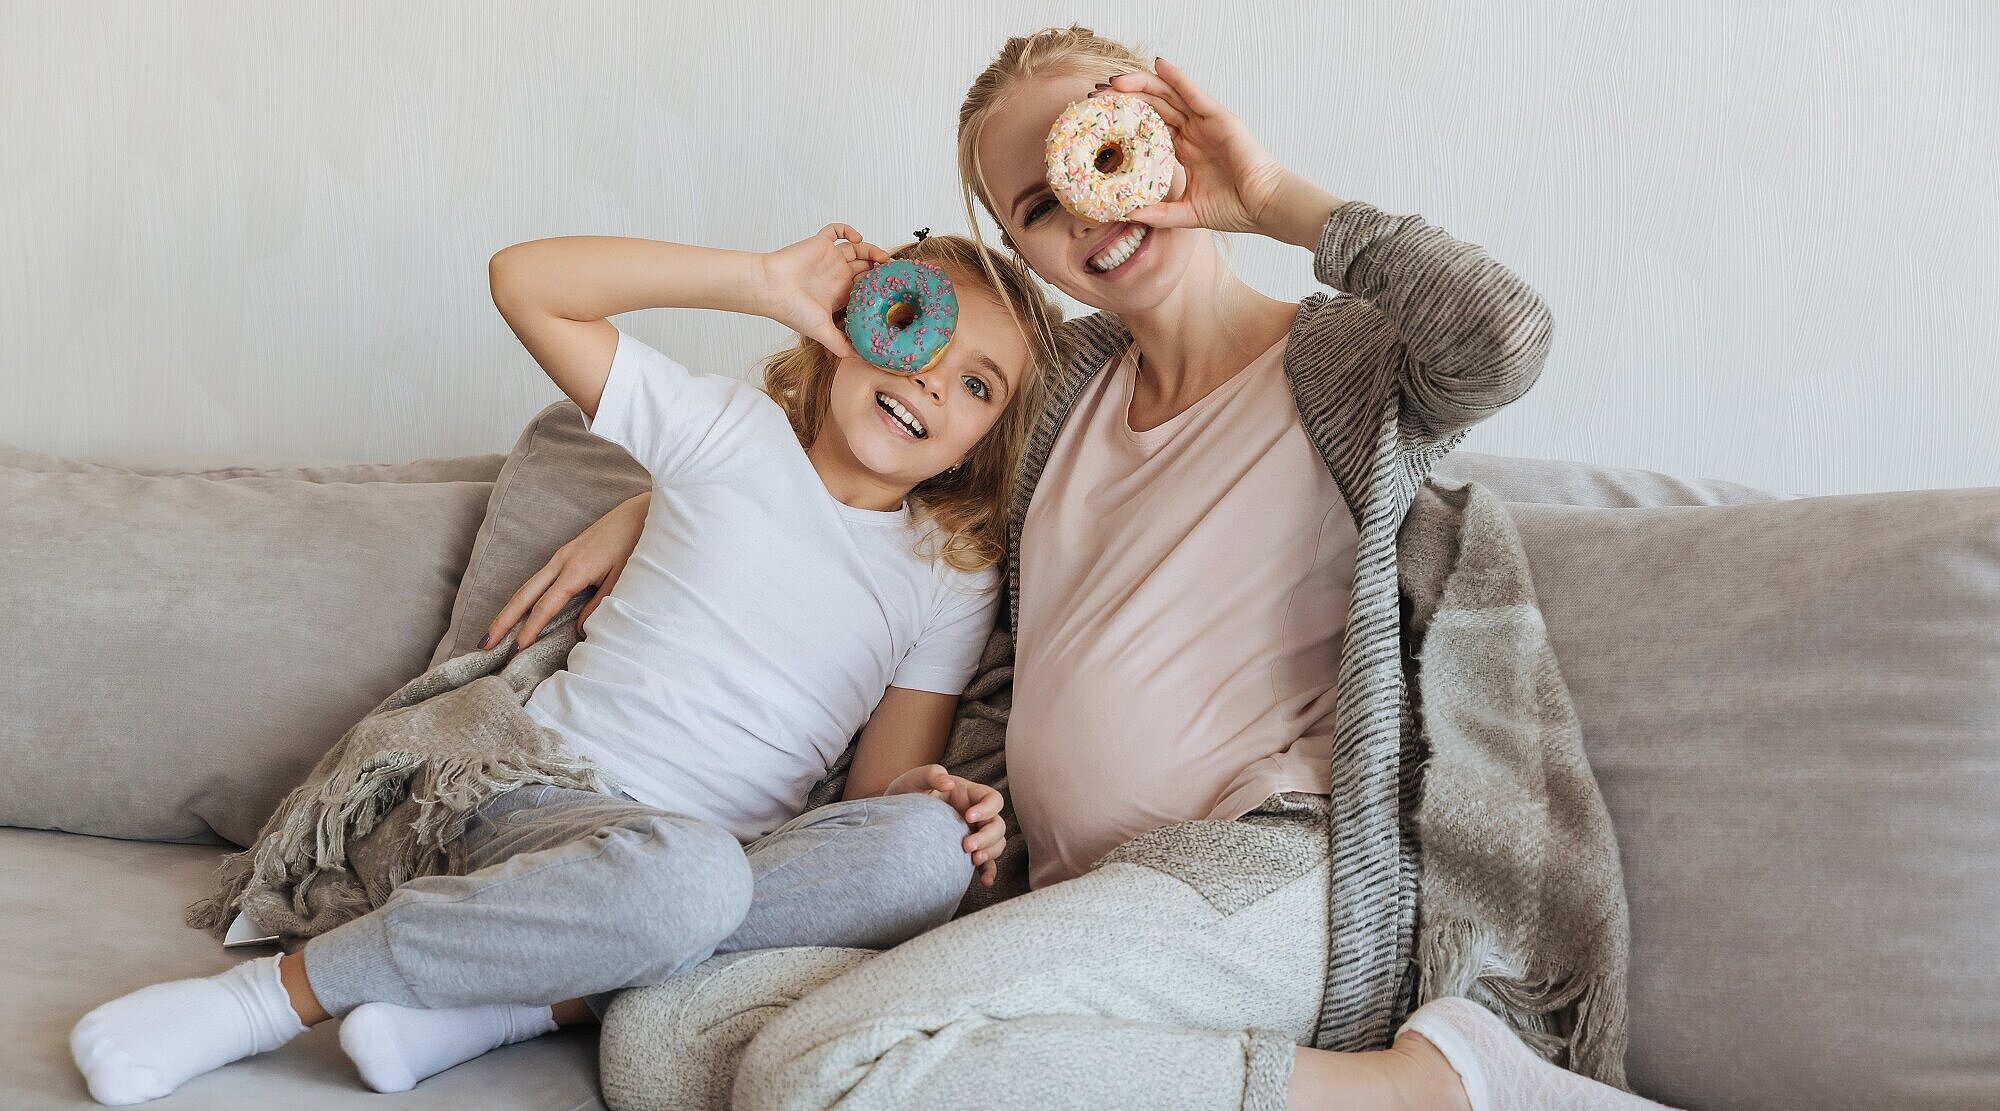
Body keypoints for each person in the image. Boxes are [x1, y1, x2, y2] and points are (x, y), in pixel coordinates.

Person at [473, 27, 1679, 1111]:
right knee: (660, 1039)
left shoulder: (1348, 369)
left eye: (1101, 158)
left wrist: (1266, 197)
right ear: (1021, 251)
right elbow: (884, 469)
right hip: (1053, 903)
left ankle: (1432, 1095)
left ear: (1162, 132)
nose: (1088, 219)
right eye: (1039, 208)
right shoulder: (1050, 398)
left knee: (810, 1068)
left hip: (1259, 871)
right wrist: (658, 505)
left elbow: (1503, 332)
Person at [67, 224, 1063, 1105]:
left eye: (976, 384)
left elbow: (879, 777)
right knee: (689, 882)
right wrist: (761, 279)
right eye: (916, 332)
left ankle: (500, 1008)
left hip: (719, 862)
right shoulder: (725, 433)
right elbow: (525, 280)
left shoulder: (949, 574)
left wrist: (927, 796)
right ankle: (267, 999)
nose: (934, 379)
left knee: (924, 852)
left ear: (984, 440)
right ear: (849, 327)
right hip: (544, 802)